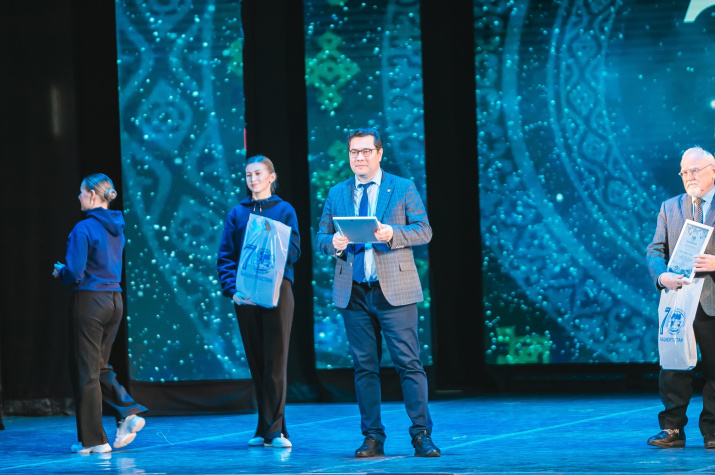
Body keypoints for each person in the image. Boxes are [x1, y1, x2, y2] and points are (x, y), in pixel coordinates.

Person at [315, 128, 440, 458]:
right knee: (364, 367)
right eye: (354, 152)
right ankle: (372, 436)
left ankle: (421, 434)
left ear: (379, 153)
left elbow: (424, 230)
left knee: (408, 363)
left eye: (366, 151)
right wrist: (334, 243)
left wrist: (392, 233)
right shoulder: (338, 192)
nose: (360, 157)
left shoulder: (402, 187)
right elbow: (321, 237)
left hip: (394, 291)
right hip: (354, 292)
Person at [53, 173, 147, 454]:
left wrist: (61, 272)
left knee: (86, 371)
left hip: (90, 301)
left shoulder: (84, 228)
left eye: (81, 192)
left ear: (92, 195)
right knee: (97, 365)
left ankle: (94, 441)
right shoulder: (118, 228)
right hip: (114, 301)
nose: (79, 197)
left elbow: (74, 272)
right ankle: (127, 411)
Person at [217, 155, 300, 449]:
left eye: (258, 174)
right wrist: (231, 290)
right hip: (246, 293)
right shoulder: (237, 213)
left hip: (278, 291)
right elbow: (225, 256)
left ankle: (275, 431)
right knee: (257, 362)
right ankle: (266, 427)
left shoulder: (285, 210)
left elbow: (295, 251)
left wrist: (271, 235)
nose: (253, 179)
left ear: (271, 177)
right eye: (248, 175)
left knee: (275, 361)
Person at [646, 146, 715, 448]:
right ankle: (672, 429)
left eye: (695, 170)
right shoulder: (670, 206)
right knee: (674, 366)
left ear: (713, 170)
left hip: (712, 300)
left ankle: (713, 431)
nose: (689, 176)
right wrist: (661, 276)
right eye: (684, 172)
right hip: (679, 300)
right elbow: (655, 249)